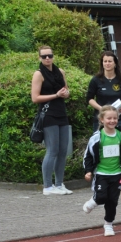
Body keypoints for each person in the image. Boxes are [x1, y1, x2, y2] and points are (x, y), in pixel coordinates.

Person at [82, 105, 121, 236]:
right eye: (109, 118)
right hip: (101, 173)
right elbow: (88, 155)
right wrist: (88, 171)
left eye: (115, 118)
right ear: (101, 120)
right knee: (101, 196)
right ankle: (93, 201)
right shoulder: (97, 138)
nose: (112, 121)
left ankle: (108, 224)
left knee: (112, 201)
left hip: (117, 174)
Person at [30, 45, 72, 196]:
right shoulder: (38, 74)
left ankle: (59, 184)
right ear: (39, 58)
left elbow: (66, 91)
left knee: (62, 151)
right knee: (52, 150)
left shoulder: (60, 72)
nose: (47, 58)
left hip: (61, 113)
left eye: (50, 55)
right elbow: (35, 98)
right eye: (44, 56)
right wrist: (55, 95)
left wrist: (65, 93)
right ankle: (47, 186)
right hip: (48, 115)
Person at [86, 51, 121, 134]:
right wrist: (101, 109)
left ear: (115, 63)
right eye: (105, 61)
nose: (107, 63)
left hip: (118, 120)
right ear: (102, 63)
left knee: (120, 144)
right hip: (100, 120)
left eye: (110, 61)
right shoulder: (95, 80)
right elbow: (89, 98)